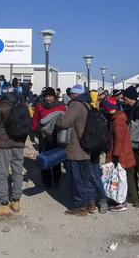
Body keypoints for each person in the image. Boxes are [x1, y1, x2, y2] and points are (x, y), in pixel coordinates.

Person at [0, 83, 27, 216]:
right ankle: (15, 201)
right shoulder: (22, 105)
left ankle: (3, 205)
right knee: (17, 173)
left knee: (2, 173)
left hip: (4, 144)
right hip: (19, 144)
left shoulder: (1, 106)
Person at [56, 84, 93, 216]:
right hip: (86, 147)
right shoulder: (88, 104)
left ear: (74, 94)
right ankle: (90, 202)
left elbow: (64, 122)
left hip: (75, 147)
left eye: (71, 93)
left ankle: (80, 206)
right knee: (85, 177)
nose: (70, 95)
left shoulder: (76, 105)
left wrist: (58, 119)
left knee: (76, 179)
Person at [103, 96, 136, 212]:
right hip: (121, 152)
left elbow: (119, 139)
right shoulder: (118, 117)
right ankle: (116, 198)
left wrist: (115, 156)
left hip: (120, 154)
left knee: (120, 178)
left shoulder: (116, 120)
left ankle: (121, 201)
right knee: (118, 177)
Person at [31, 87, 67, 189]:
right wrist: (33, 131)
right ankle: (46, 182)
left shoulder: (60, 106)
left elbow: (65, 119)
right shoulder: (40, 105)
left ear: (54, 97)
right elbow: (36, 118)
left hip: (56, 136)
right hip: (43, 136)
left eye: (50, 96)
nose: (48, 98)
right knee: (44, 158)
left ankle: (56, 180)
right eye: (46, 96)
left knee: (56, 159)